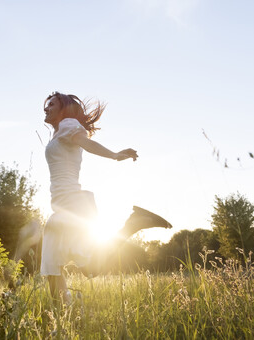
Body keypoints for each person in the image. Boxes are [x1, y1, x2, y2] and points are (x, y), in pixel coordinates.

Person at [40, 91, 172, 303]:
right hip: (61, 207)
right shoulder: (58, 133)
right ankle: (65, 311)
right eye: (46, 105)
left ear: (63, 109)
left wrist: (114, 155)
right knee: (51, 265)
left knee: (89, 268)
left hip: (72, 205)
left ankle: (133, 224)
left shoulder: (68, 125)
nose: (46, 108)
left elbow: (87, 143)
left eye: (52, 104)